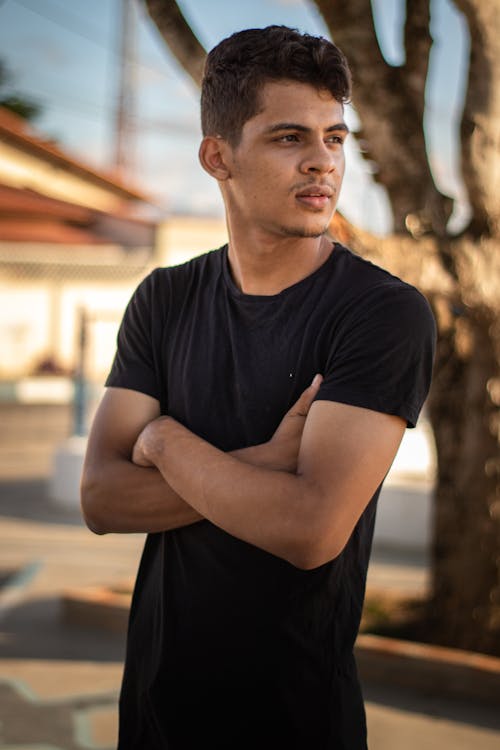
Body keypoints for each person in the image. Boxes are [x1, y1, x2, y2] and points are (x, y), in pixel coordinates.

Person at [81, 25, 436, 750]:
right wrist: (264, 466)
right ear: (219, 156)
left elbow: (310, 530)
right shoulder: (166, 298)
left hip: (293, 718)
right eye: (287, 138)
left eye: (335, 138)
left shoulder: (380, 312)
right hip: (152, 708)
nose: (322, 164)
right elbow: (100, 499)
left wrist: (162, 439)